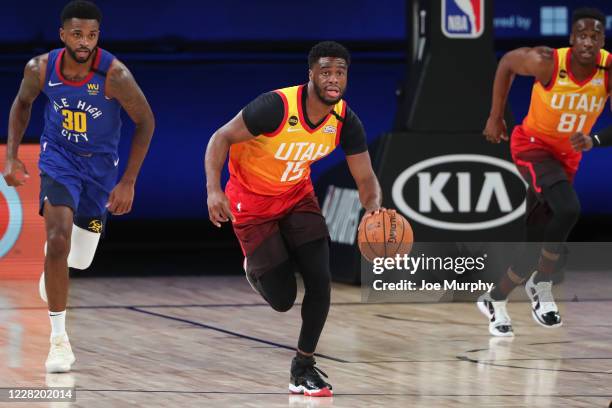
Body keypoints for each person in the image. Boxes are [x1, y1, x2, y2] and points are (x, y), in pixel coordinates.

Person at [205, 41, 381, 396]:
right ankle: (255, 268)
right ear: (311, 75)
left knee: (320, 280)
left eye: (340, 72)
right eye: (326, 71)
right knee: (284, 299)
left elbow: (365, 178)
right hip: (251, 203)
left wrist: (374, 210)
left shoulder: (345, 120)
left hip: (296, 197)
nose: (334, 79)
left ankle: (303, 366)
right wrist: (213, 189)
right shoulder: (275, 107)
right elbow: (220, 137)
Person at [2, 0, 155, 372]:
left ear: (97, 36)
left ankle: (54, 269)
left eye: (91, 35)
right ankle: (58, 342)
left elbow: (146, 122)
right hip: (59, 161)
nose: (84, 42)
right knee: (56, 239)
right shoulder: (40, 68)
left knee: (81, 259)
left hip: (100, 172)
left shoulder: (115, 76)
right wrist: (11, 155)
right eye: (76, 34)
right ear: (62, 35)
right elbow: (22, 104)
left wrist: (128, 181)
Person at [479, 7, 611, 337]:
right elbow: (508, 62)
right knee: (568, 208)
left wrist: (593, 140)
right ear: (571, 39)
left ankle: (494, 299)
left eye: (595, 36)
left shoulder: (608, 71)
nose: (588, 41)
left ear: (603, 41)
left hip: (567, 157)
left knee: (533, 243)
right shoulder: (548, 62)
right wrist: (496, 116)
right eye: (582, 35)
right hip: (532, 146)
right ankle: (544, 282)